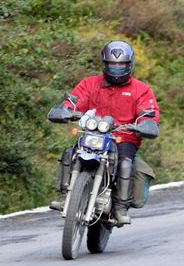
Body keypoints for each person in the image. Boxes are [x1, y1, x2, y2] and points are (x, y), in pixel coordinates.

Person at [49, 40, 160, 225]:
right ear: (104, 64)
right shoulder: (90, 84)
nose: (116, 69)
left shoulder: (141, 90)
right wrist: (67, 109)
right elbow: (74, 100)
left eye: (121, 65)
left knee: (125, 163)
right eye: (112, 65)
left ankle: (120, 207)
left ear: (130, 65)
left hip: (123, 137)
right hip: (93, 133)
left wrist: (145, 124)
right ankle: (66, 195)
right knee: (71, 153)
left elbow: (148, 113)